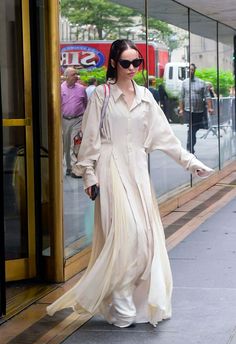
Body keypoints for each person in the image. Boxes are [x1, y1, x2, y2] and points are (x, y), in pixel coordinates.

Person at [47, 40, 213, 327]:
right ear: (113, 63)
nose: (133, 68)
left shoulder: (146, 96)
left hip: (137, 171)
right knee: (127, 238)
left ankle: (126, 300)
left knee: (146, 241)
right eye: (126, 63)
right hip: (110, 170)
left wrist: (191, 162)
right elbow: (89, 139)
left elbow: (165, 138)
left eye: (137, 62)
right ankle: (121, 304)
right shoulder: (101, 95)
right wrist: (89, 175)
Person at [179, 63, 213, 154]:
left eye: (192, 70)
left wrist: (210, 108)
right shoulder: (184, 83)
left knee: (194, 129)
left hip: (199, 111)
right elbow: (181, 97)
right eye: (189, 70)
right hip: (188, 110)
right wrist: (181, 109)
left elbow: (207, 96)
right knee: (191, 129)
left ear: (194, 71)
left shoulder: (201, 82)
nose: (190, 71)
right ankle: (190, 147)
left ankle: (190, 145)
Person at [61, 67, 88, 177]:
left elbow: (85, 104)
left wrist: (84, 121)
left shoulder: (81, 89)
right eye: (73, 74)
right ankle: (68, 167)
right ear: (66, 76)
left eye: (76, 74)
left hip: (78, 119)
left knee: (74, 143)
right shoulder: (60, 88)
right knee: (66, 145)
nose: (76, 76)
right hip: (64, 120)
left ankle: (74, 168)